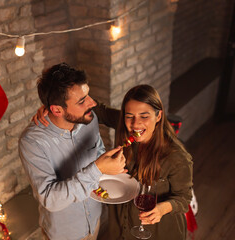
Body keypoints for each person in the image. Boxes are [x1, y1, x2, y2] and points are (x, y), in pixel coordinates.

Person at [35, 84, 193, 240]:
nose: (136, 124)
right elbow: (95, 108)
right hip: (121, 228)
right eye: (129, 115)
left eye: (144, 116)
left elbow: (184, 198)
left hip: (158, 232)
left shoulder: (176, 157)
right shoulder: (125, 125)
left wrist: (162, 208)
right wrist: (54, 108)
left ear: (158, 116)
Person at [18, 63, 127, 240]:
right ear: (57, 110)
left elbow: (97, 150)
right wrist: (98, 169)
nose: (92, 103)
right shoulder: (32, 142)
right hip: (65, 234)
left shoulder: (89, 120)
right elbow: (50, 199)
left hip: (95, 220)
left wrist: (109, 164)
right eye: (82, 101)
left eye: (88, 95)